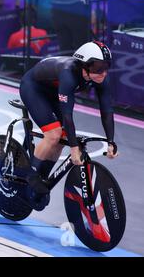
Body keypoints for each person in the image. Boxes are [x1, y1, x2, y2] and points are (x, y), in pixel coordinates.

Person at [19, 41, 118, 210]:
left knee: (63, 137)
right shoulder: (68, 74)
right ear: (84, 66)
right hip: (33, 88)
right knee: (54, 134)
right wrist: (74, 149)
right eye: (98, 67)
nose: (103, 72)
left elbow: (107, 111)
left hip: (53, 91)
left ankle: (43, 176)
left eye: (106, 66)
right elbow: (67, 115)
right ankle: (31, 175)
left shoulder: (100, 78)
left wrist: (111, 141)